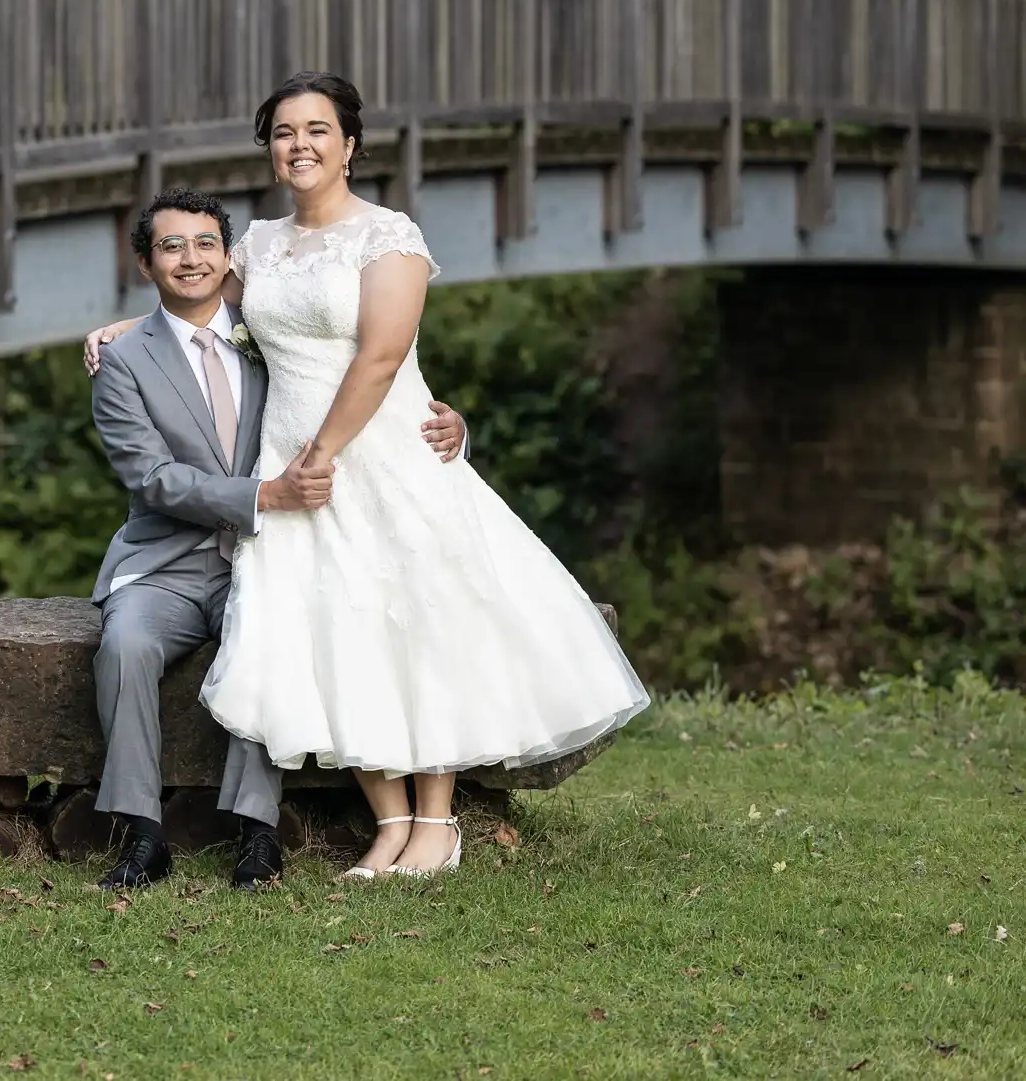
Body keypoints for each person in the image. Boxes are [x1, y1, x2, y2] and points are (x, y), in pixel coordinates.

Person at [85, 72, 650, 879]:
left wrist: (327, 451)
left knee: (418, 619)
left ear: (349, 145)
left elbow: (384, 356)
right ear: (271, 150)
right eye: (284, 132)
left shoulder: (390, 237)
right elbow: (201, 307)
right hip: (294, 473)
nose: (301, 144)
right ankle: (388, 824)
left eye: (318, 129)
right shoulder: (259, 246)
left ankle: (436, 821)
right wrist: (120, 330)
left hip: (375, 454)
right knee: (336, 629)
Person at [87, 185, 469, 890]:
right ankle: (142, 833)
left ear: (228, 256)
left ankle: (258, 836)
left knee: (276, 630)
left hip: (264, 552)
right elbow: (153, 479)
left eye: (205, 244)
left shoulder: (265, 333)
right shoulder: (123, 362)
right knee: (124, 645)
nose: (190, 258)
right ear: (147, 263)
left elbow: (360, 369)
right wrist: (265, 496)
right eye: (171, 245)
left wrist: (452, 426)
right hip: (166, 562)